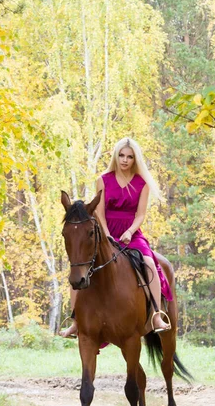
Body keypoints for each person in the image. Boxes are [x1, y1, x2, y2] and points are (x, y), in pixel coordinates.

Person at [60, 137, 172, 338]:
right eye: (121, 155)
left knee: (148, 261)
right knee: (80, 267)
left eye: (129, 156)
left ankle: (156, 314)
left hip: (132, 233)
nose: (125, 160)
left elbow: (140, 215)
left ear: (135, 159)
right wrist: (108, 234)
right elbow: (99, 213)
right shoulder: (103, 180)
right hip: (105, 232)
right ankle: (76, 321)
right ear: (116, 156)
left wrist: (129, 232)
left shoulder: (142, 183)